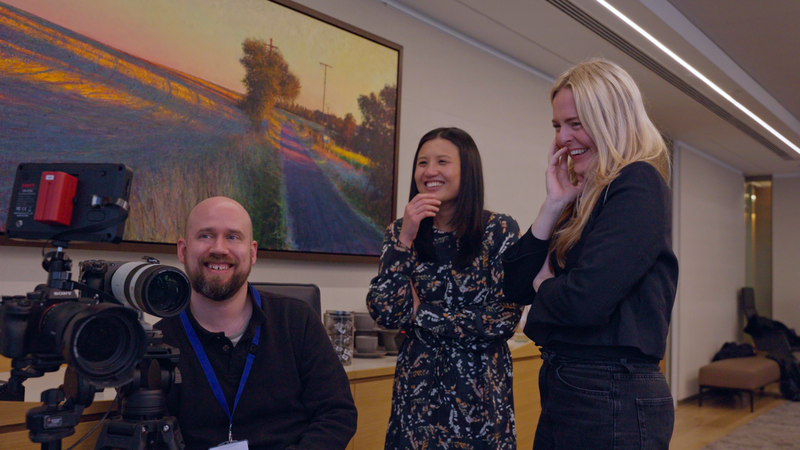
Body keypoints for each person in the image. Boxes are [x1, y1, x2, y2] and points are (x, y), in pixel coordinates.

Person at [502, 58, 679, 449]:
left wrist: (545, 284)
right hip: (574, 386)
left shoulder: (637, 183)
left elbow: (584, 301)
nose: (563, 138)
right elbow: (514, 286)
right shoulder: (582, 198)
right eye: (557, 126)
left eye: (576, 123)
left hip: (612, 390)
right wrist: (553, 203)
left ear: (611, 121)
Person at [155, 196, 357, 450]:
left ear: (252, 253)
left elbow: (337, 414)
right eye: (205, 235)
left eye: (233, 237)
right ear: (183, 250)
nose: (219, 248)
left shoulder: (297, 320)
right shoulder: (158, 341)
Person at [367, 127, 523, 449]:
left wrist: (422, 313)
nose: (430, 171)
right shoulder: (400, 230)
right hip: (416, 397)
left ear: (468, 170)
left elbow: (502, 319)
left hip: (479, 398)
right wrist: (405, 239)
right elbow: (386, 312)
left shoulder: (498, 230)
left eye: (442, 161)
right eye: (422, 163)